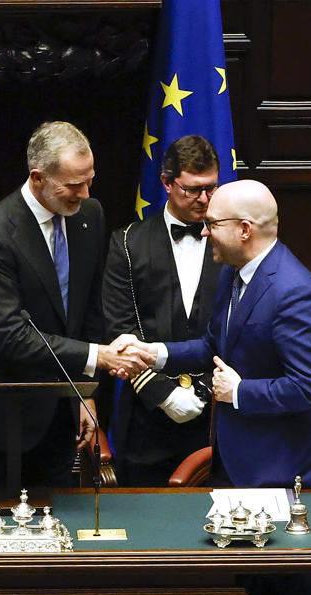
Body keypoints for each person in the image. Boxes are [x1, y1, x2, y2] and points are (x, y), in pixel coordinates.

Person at [124, 177, 311, 595]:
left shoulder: (294, 291)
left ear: (245, 229)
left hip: (288, 472)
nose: (205, 232)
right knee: (244, 594)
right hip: (240, 462)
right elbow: (214, 344)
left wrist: (240, 393)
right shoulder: (233, 273)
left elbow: (309, 387)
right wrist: (156, 353)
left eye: (212, 225)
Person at [0, 121, 138, 491]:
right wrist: (99, 357)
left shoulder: (90, 216)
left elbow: (87, 313)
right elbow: (13, 336)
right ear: (37, 178)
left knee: (58, 537)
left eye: (90, 180)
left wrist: (85, 394)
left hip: (59, 416)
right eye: (72, 185)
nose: (84, 193)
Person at [101, 134, 221, 485]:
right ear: (167, 183)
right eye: (192, 189)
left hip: (218, 416)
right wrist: (161, 394)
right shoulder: (127, 242)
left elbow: (241, 325)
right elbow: (118, 329)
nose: (204, 199)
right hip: (146, 419)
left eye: (211, 188)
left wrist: (203, 391)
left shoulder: (231, 240)